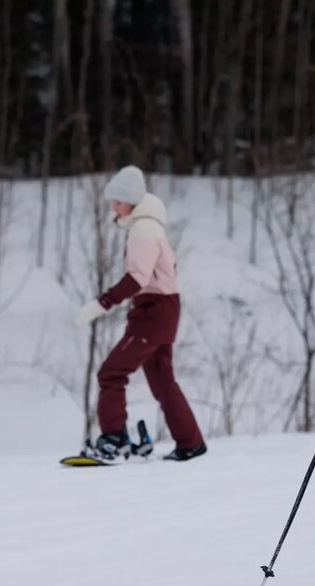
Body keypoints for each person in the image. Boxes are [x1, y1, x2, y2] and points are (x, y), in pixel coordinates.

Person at [75, 166, 207, 462]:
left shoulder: (143, 228)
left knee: (110, 373)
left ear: (132, 201)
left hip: (153, 312)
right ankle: (190, 442)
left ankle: (114, 439)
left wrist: (101, 303)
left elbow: (137, 277)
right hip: (163, 309)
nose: (114, 207)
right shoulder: (150, 226)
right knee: (162, 381)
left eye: (118, 201)